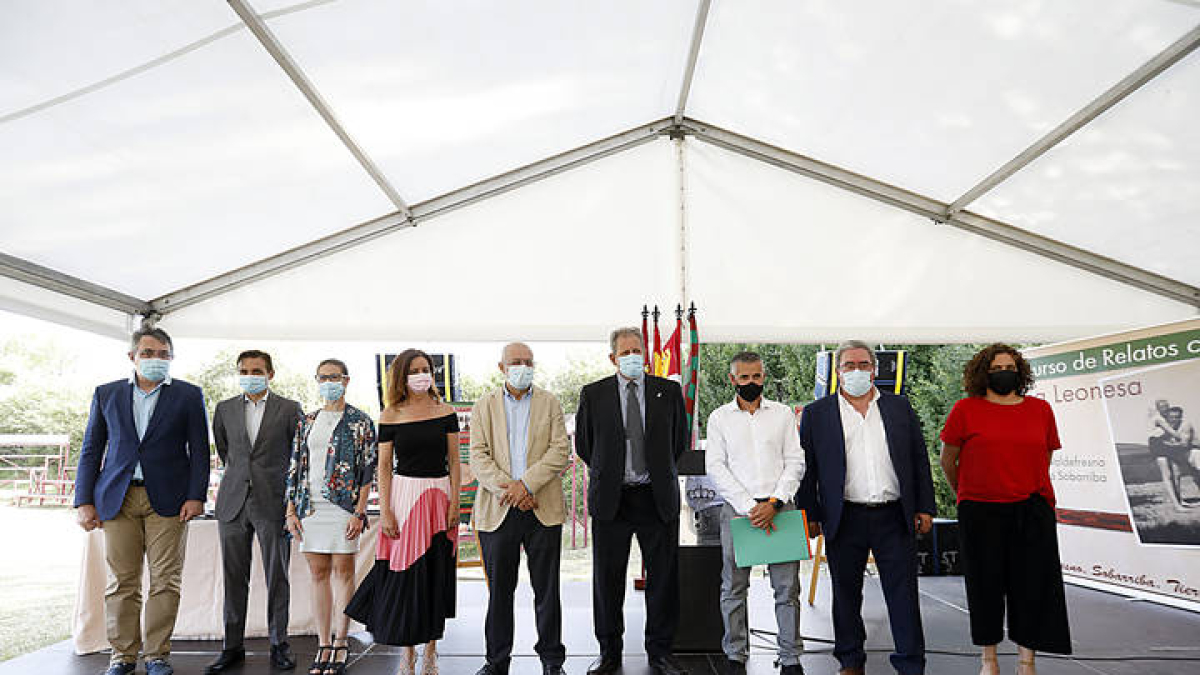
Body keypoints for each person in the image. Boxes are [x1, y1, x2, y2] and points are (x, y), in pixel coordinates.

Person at [73, 326, 210, 675]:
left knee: (166, 580)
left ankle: (157, 656)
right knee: (123, 581)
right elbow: (91, 449)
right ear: (132, 356)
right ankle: (122, 656)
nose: (155, 360)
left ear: (171, 359)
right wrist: (83, 500)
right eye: (148, 353)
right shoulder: (106, 394)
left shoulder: (189, 395)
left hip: (169, 500)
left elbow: (200, 452)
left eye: (164, 354)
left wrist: (196, 495)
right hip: (116, 499)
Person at [797, 340, 935, 675]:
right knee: (845, 595)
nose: (856, 371)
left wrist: (925, 507)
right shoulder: (817, 414)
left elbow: (919, 459)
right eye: (848, 365)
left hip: (894, 515)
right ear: (838, 371)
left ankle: (910, 663)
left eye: (863, 364)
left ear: (874, 369)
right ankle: (850, 661)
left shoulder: (899, 407)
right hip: (844, 516)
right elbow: (807, 467)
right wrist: (810, 514)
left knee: (903, 595)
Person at [939, 343, 1071, 675]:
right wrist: (966, 493)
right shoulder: (965, 409)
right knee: (985, 586)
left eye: (1009, 367)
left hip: (1030, 509)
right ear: (983, 372)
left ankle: (1027, 662)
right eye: (996, 368)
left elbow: (1045, 457)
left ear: (1021, 371)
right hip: (980, 511)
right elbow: (947, 460)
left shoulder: (1040, 410)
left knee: (1032, 585)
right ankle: (989, 660)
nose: (1003, 373)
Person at [575, 327, 690, 675]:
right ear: (613, 358)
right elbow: (585, 444)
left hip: (657, 498)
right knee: (607, 580)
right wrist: (612, 472)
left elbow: (678, 443)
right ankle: (610, 652)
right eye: (625, 352)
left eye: (637, 350)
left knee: (663, 579)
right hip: (613, 500)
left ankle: (660, 652)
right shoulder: (593, 394)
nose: (633, 356)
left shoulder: (668, 391)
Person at [345, 349, 461, 675]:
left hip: (440, 495)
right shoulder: (391, 415)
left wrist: (456, 503)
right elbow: (383, 466)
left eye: (426, 369)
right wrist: (387, 511)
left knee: (436, 570)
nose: (422, 374)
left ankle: (431, 652)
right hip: (405, 495)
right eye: (415, 370)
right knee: (407, 574)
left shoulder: (446, 412)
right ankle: (408, 653)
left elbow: (454, 462)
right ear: (402, 376)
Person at [469, 343, 571, 675]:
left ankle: (552, 660)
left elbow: (559, 450)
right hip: (498, 511)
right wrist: (511, 490)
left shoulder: (550, 402)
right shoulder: (483, 406)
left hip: (541, 507)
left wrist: (525, 485)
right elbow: (478, 457)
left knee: (547, 591)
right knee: (500, 593)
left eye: (528, 362)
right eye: (516, 362)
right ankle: (496, 661)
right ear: (502, 367)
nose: (522, 367)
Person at [705, 351, 807, 675]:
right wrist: (751, 508)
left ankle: (791, 658)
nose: (752, 383)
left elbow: (795, 460)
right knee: (733, 588)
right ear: (732, 380)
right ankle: (735, 655)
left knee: (787, 589)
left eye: (757, 376)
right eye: (745, 378)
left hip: (781, 509)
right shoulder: (719, 418)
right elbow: (715, 467)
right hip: (739, 513)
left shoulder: (782, 415)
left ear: (764, 377)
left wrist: (774, 502)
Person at [207, 350, 304, 673]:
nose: (250, 375)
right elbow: (226, 452)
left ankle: (279, 645)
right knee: (234, 577)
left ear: (270, 374)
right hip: (233, 503)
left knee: (278, 576)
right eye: (244, 370)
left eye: (257, 370)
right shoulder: (223, 410)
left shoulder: (290, 410)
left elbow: (297, 459)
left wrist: (291, 502)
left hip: (273, 503)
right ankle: (231, 646)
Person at [285, 359, 377, 675]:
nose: (328, 382)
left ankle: (341, 640)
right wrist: (291, 510)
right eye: (323, 377)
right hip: (310, 507)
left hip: (343, 509)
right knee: (318, 573)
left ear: (346, 380)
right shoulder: (306, 421)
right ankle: (322, 642)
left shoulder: (360, 421)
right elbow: (295, 465)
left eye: (334, 377)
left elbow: (368, 470)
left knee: (343, 571)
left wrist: (360, 512)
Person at [1157, 406, 1199, 510]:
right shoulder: (1166, 427)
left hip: (1193, 450)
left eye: (1177, 417)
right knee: (1175, 475)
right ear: (1167, 418)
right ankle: (1178, 500)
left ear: (1181, 417)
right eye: (1171, 417)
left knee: (1197, 473)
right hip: (1178, 453)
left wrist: (1165, 445)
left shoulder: (1185, 425)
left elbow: (1184, 444)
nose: (1174, 419)